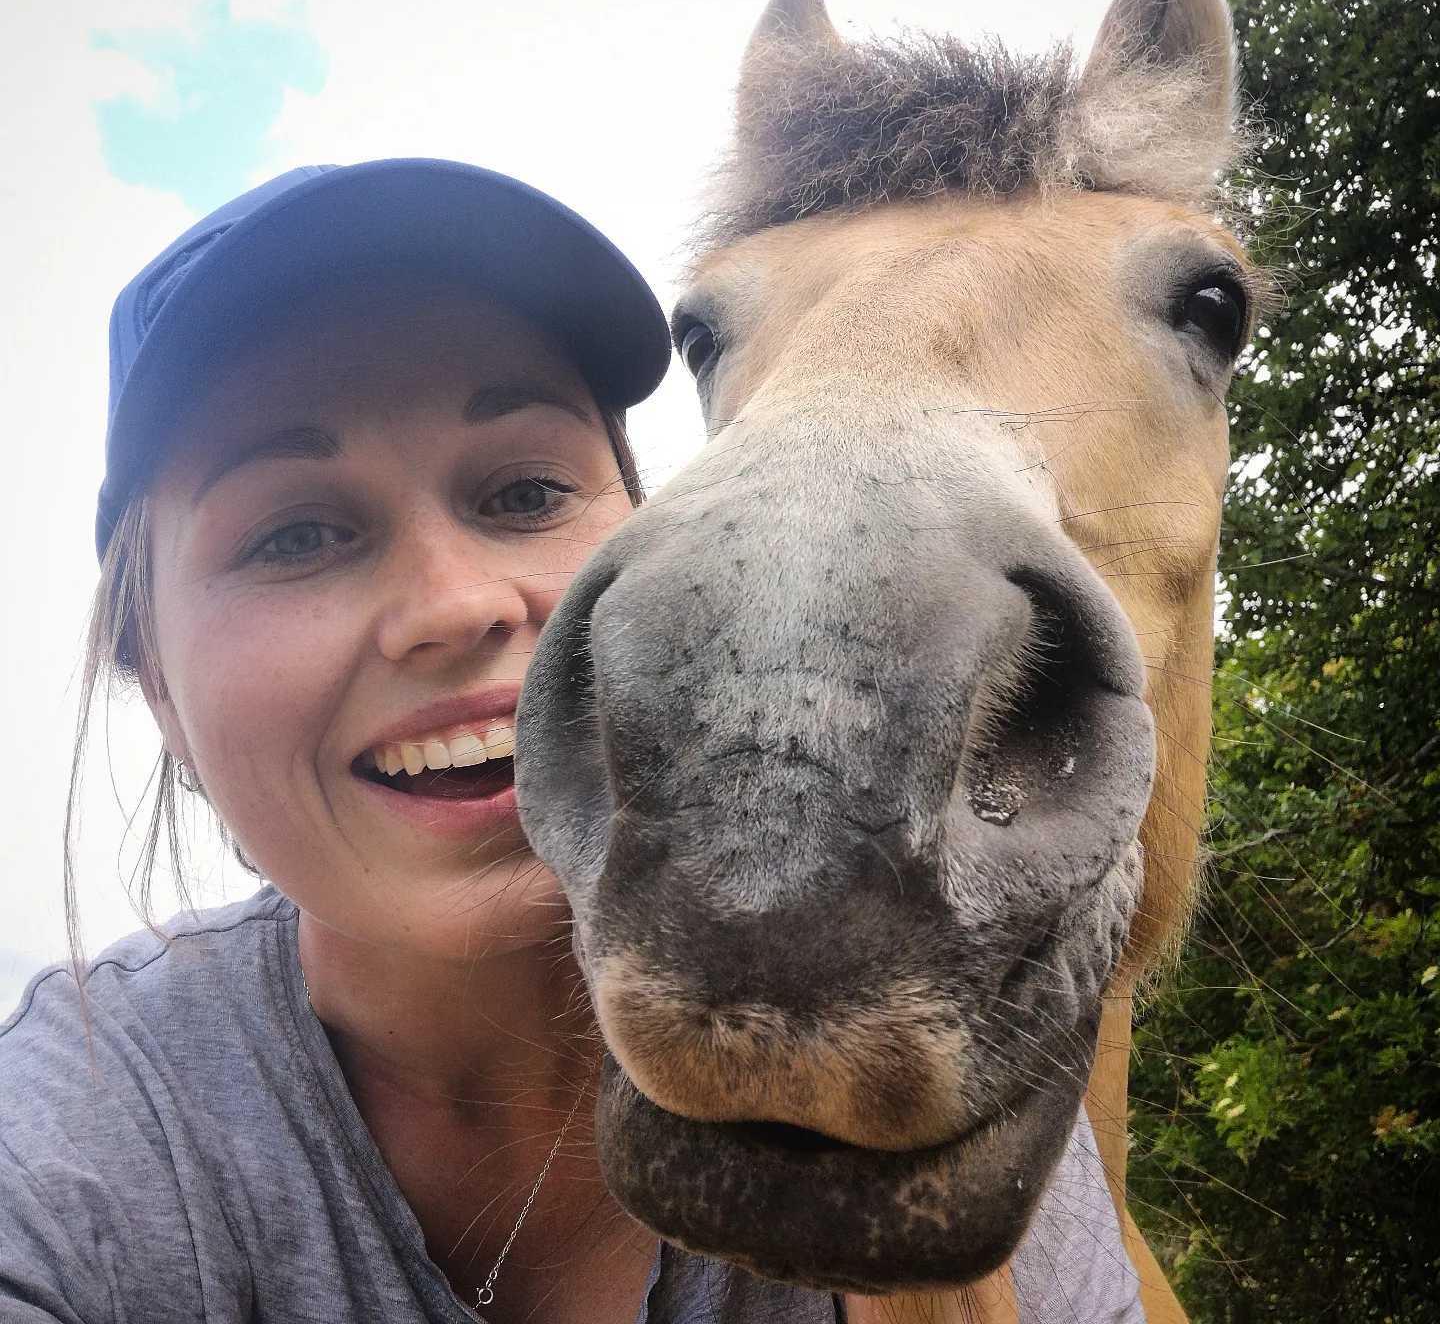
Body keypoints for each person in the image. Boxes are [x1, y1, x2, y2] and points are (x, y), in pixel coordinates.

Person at [0, 159, 1142, 1324]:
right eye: (296, 534)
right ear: (159, 698)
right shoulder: (76, 1131)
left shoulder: (904, 984)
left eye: (527, 493)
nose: (458, 604)